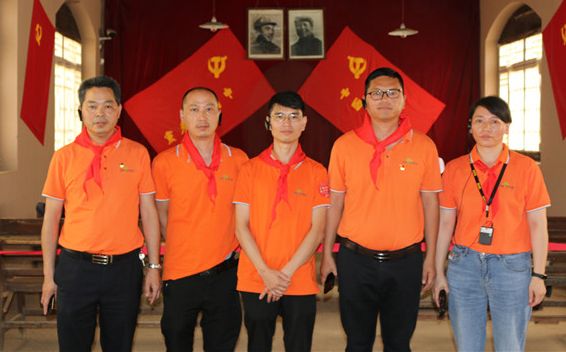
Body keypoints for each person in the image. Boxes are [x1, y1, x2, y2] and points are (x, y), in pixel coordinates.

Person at [320, 67, 442, 352]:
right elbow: (334, 204)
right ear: (364, 100)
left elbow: (431, 205)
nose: (384, 99)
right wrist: (326, 255)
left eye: (392, 93)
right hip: (355, 260)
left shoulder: (423, 146)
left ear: (403, 100)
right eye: (376, 93)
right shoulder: (344, 146)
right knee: (357, 343)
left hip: (406, 261)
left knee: (399, 344)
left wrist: (431, 259)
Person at [40, 75, 161, 352]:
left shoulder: (138, 153)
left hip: (124, 269)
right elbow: (51, 220)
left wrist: (154, 268)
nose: (100, 113)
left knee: (119, 345)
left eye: (108, 106)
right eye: (92, 106)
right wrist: (48, 277)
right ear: (80, 110)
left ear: (119, 110)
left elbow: (149, 212)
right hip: (75, 269)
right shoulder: (63, 157)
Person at [433, 96, 550, 352]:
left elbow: (538, 225)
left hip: (512, 268)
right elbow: (445, 224)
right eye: (480, 121)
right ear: (470, 127)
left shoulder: (526, 168)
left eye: (495, 121)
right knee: (467, 346)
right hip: (464, 265)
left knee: (510, 346)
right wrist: (439, 271)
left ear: (507, 126)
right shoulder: (454, 169)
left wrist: (538, 275)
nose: (487, 128)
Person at [152, 87, 248, 351]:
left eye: (209, 109)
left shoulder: (239, 160)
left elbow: (247, 215)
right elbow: (162, 215)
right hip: (181, 273)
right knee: (176, 341)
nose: (202, 116)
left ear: (219, 114)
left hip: (225, 273)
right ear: (182, 115)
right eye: (194, 110)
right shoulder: (164, 162)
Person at [234, 91, 329, 352]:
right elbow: (240, 226)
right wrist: (266, 273)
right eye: (279, 116)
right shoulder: (249, 169)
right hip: (256, 277)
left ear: (304, 123)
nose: (287, 123)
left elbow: (317, 230)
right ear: (268, 122)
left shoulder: (317, 171)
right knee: (258, 345)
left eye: (293, 117)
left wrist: (283, 276)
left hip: (298, 278)